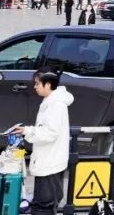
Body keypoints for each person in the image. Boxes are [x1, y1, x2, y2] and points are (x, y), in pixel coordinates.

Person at [11, 67, 73, 215]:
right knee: (46, 203)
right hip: (50, 160)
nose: (35, 87)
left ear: (48, 85)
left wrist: (27, 132)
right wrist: (27, 130)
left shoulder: (55, 105)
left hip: (49, 162)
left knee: (44, 204)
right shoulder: (51, 101)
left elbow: (50, 133)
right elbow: (46, 128)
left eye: (37, 84)